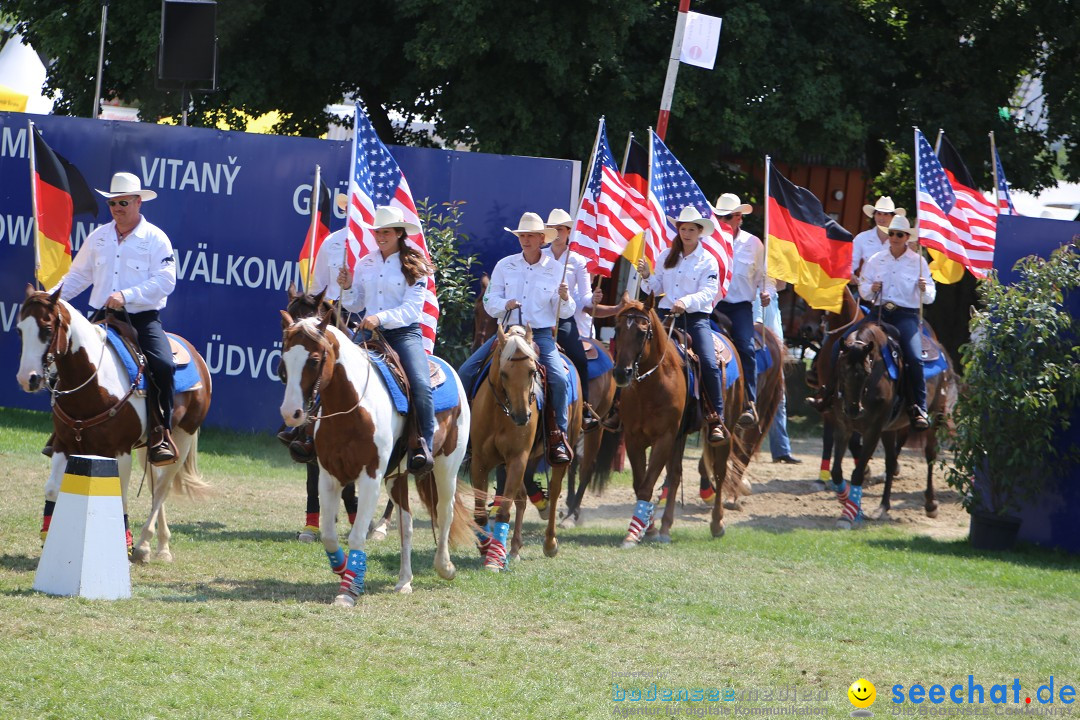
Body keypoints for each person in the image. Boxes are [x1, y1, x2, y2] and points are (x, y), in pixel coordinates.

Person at [49, 171, 178, 465]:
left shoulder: (156, 239)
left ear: (138, 202)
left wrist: (128, 295)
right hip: (100, 316)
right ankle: (61, 431)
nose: (117, 209)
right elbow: (78, 276)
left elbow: (165, 281)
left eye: (123, 203)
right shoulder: (98, 237)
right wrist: (49, 299)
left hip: (141, 318)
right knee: (61, 360)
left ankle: (161, 433)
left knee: (163, 365)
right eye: (112, 203)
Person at [458, 211, 575, 465]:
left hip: (540, 336)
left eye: (531, 235)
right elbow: (489, 302)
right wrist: (505, 304)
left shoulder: (556, 269)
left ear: (542, 238)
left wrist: (565, 298)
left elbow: (564, 311)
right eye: (522, 235)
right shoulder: (504, 265)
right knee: (466, 371)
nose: (526, 240)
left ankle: (557, 435)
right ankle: (464, 437)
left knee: (557, 377)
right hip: (507, 334)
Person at [339, 205, 436, 474]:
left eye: (386, 232)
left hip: (403, 334)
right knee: (335, 372)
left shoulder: (415, 263)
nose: (381, 236)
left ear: (399, 233)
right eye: (378, 232)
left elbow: (412, 310)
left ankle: (422, 447)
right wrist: (347, 287)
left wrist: (380, 318)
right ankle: (315, 435)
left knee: (420, 385)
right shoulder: (366, 262)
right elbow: (356, 303)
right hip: (370, 334)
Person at [637, 206, 728, 445]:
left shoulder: (708, 260)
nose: (686, 233)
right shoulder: (666, 255)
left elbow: (709, 292)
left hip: (695, 318)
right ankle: (620, 408)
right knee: (634, 351)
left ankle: (715, 417)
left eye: (691, 229)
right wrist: (647, 276)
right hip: (663, 314)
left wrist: (684, 301)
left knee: (708, 362)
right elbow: (655, 288)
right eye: (683, 228)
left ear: (699, 232)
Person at [857, 215, 935, 430]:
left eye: (899, 234)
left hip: (905, 315)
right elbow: (863, 288)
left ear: (907, 237)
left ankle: (919, 406)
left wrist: (924, 289)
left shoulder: (918, 262)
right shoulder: (876, 259)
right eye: (891, 233)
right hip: (879, 312)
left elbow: (930, 296)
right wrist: (870, 289)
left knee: (914, 356)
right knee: (845, 343)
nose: (894, 237)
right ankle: (828, 392)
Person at [711, 193, 771, 427]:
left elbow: (764, 277)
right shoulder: (708, 240)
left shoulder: (753, 244)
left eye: (726, 217)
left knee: (745, 347)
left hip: (739, 306)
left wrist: (766, 292)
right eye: (719, 216)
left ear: (738, 217)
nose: (722, 221)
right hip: (712, 305)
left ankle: (749, 401)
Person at [544, 208, 601, 431]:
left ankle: (585, 406)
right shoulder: (541, 255)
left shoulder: (577, 260)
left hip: (564, 317)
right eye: (553, 229)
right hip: (538, 317)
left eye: (561, 229)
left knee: (579, 358)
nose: (557, 233)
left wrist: (593, 298)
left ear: (569, 232)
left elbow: (585, 295)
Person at [753, 281, 801, 464]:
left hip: (769, 312)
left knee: (778, 395)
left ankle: (781, 448)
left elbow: (782, 283)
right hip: (757, 343)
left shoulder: (773, 296)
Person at [851, 196, 906, 280]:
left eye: (886, 214)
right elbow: (850, 261)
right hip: (865, 288)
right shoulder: (862, 238)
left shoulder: (902, 240)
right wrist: (851, 275)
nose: (881, 218)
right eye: (879, 213)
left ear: (892, 217)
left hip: (893, 290)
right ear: (874, 216)